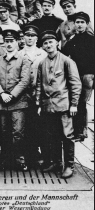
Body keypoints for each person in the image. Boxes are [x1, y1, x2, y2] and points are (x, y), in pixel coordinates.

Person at [36, 30, 82, 178]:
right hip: (47, 106)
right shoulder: (42, 63)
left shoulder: (67, 61)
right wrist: (38, 103)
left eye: (51, 42)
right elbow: (38, 85)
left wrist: (74, 104)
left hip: (64, 105)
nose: (48, 45)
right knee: (52, 136)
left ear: (57, 43)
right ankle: (56, 162)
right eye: (45, 43)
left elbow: (75, 84)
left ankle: (69, 166)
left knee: (67, 136)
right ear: (42, 47)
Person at [0, 29, 31, 170]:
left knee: (18, 132)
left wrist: (12, 95)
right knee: (3, 131)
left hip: (18, 103)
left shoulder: (24, 60)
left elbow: (24, 81)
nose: (8, 44)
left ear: (17, 42)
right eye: (6, 41)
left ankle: (20, 160)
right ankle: (5, 159)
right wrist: (1, 94)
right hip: (2, 102)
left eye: (11, 41)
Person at [63, 12, 94, 141]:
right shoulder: (72, 41)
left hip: (88, 75)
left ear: (87, 24)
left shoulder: (92, 40)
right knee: (75, 102)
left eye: (82, 22)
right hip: (75, 76)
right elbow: (64, 55)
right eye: (77, 22)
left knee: (81, 103)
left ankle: (81, 131)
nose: (80, 25)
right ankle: (77, 130)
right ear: (74, 24)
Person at [19, 25, 47, 166]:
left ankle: (37, 153)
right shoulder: (18, 54)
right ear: (23, 37)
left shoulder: (42, 54)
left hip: (38, 93)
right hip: (22, 95)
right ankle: (26, 154)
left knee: (38, 124)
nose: (30, 38)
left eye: (32, 36)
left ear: (37, 38)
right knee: (24, 125)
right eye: (27, 35)